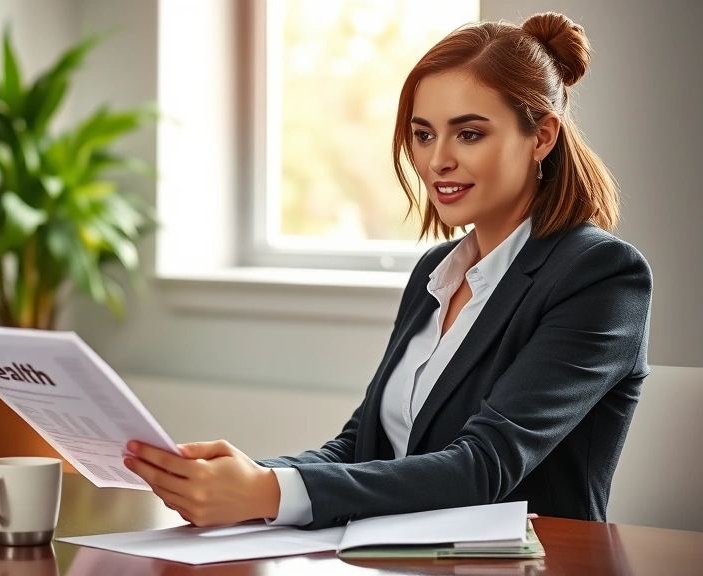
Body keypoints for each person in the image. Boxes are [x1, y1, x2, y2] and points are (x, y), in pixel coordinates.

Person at [123, 11, 653, 530]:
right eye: (423, 135)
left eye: (469, 134)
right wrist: (245, 478)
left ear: (542, 136)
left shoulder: (600, 275)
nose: (437, 160)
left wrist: (268, 492)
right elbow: (360, 448)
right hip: (401, 558)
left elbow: (484, 466)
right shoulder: (436, 275)